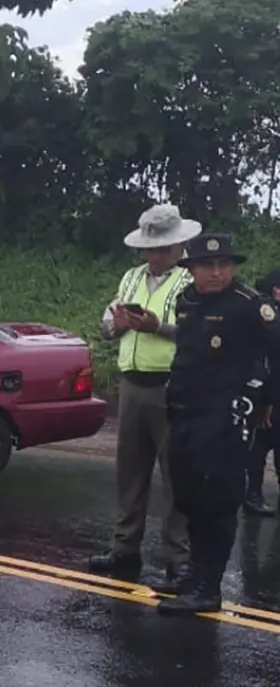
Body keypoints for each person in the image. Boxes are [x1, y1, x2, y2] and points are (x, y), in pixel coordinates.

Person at [157, 233, 280, 615]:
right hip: (186, 411)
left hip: (226, 415)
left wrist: (266, 398)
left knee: (218, 499)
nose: (216, 271)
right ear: (190, 269)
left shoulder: (249, 306)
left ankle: (208, 587)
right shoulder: (186, 301)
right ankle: (192, 574)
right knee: (188, 494)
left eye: (223, 264)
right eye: (207, 265)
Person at [88, 205, 199, 589]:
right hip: (132, 384)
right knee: (130, 472)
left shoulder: (192, 281)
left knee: (176, 474)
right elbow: (105, 326)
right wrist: (116, 325)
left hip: (173, 384)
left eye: (163, 248)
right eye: (151, 248)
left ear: (180, 244)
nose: (155, 256)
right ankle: (124, 549)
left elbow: (196, 334)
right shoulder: (132, 277)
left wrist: (157, 327)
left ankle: (179, 559)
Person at [243, 268, 280, 516]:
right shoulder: (267, 314)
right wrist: (269, 399)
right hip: (265, 390)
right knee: (261, 442)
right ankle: (253, 496)